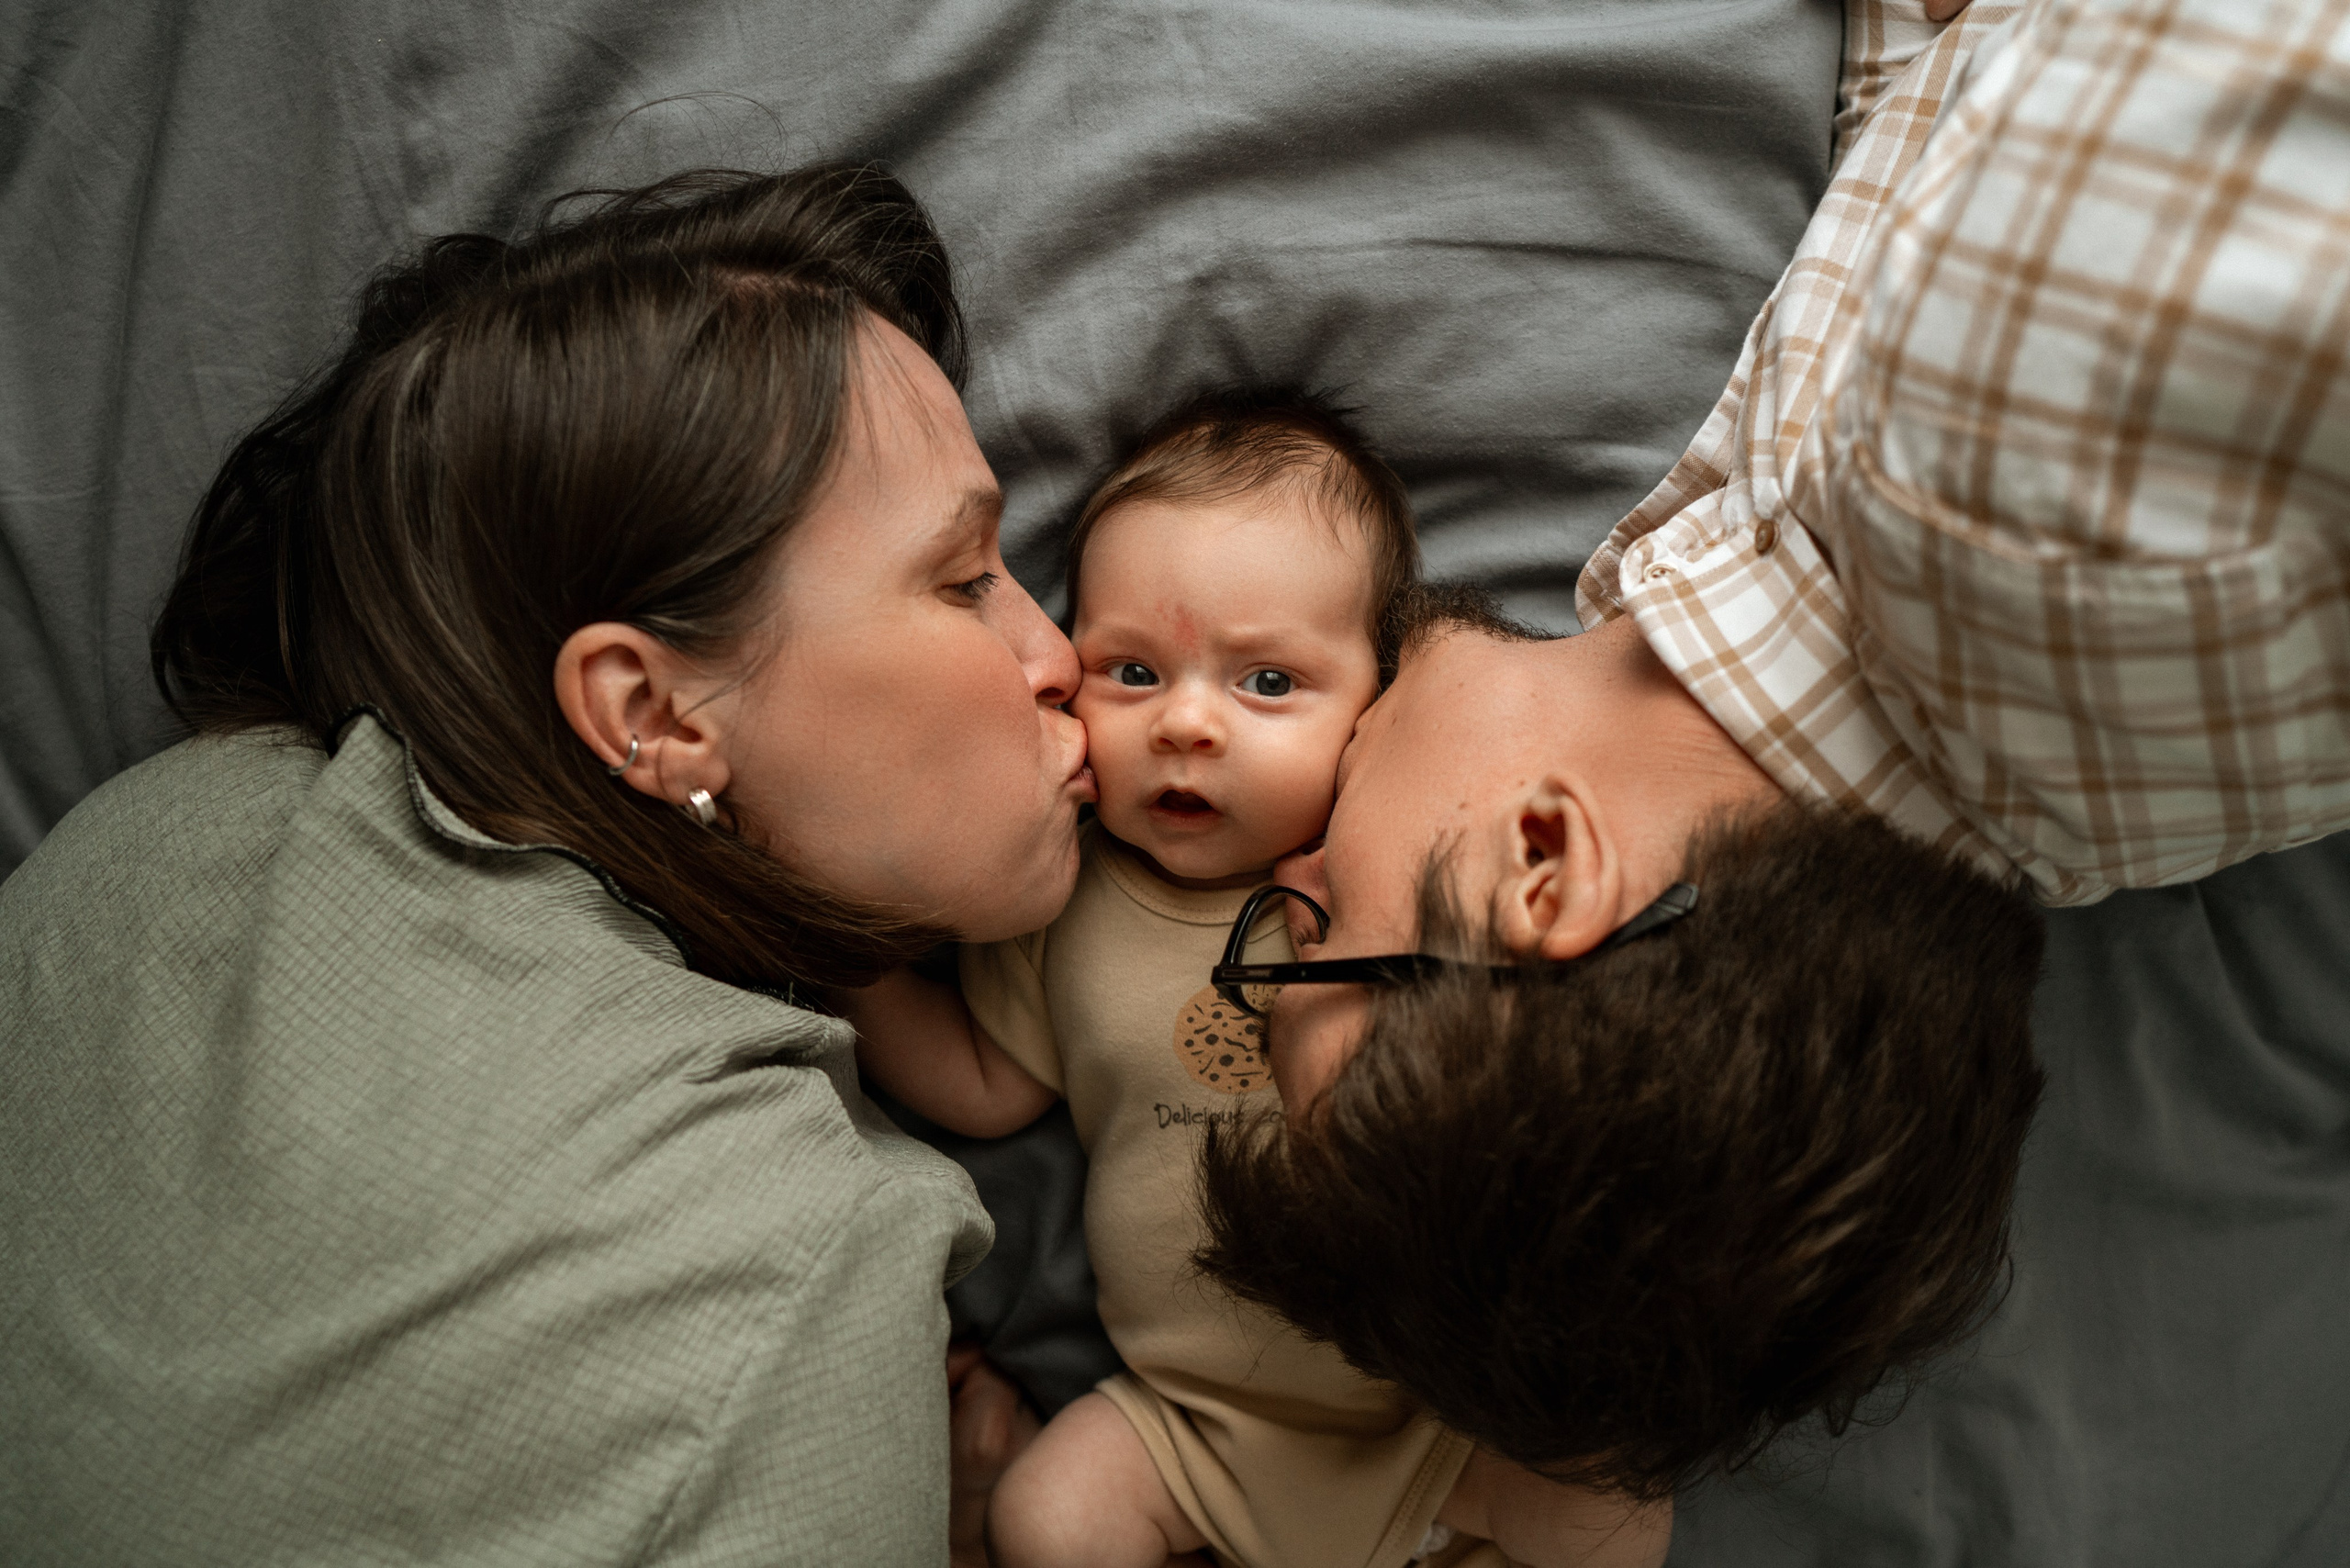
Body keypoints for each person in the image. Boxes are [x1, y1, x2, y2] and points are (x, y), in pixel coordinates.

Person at [1193, 0, 2350, 1512]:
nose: (1287, 868)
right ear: (1541, 868)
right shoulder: (2001, 505)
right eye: (1317, 940)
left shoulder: (2095, 775)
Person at [0, 164, 1093, 1562]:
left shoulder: (126, 842)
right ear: (653, 715)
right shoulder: (795, 1260)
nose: (1057, 656)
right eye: (964, 579)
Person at [847, 391, 1669, 1568]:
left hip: (1430, 1405)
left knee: (1613, 1508)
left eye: (1267, 683)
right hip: (1196, 1422)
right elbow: (984, 1083)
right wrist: (859, 974)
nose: (1185, 724)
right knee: (1048, 1519)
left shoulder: (1382, 879)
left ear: (1376, 705)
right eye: (1132, 670)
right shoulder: (1059, 894)